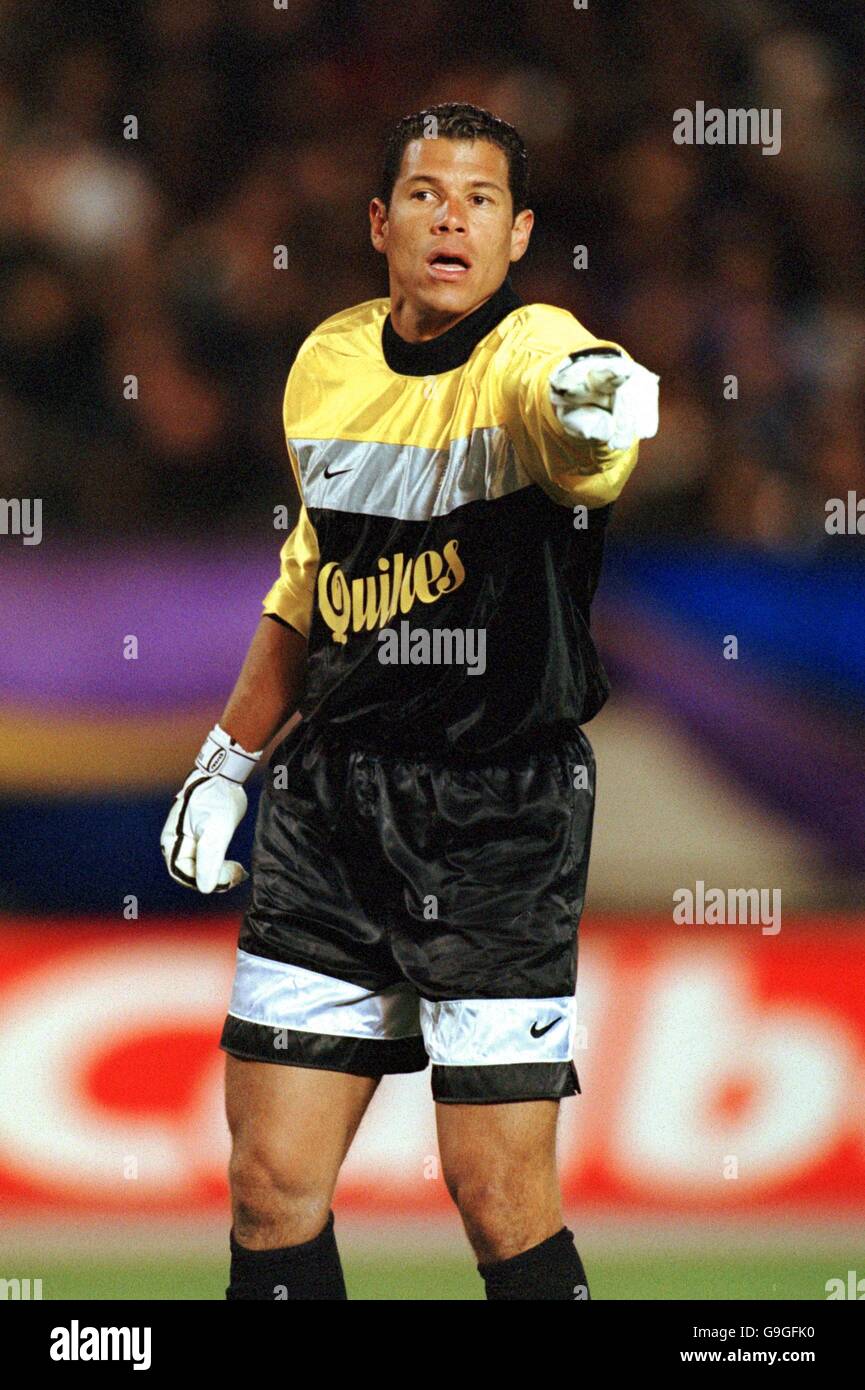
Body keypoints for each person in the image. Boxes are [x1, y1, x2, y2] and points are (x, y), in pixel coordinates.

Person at [160, 102, 659, 1301]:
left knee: (496, 1194)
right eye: (428, 194)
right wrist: (229, 762)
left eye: (481, 199)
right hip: (330, 805)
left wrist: (606, 401)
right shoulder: (326, 363)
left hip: (498, 814)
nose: (453, 216)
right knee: (270, 1185)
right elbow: (310, 586)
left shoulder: (535, 350)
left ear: (518, 233)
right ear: (381, 223)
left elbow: (590, 426)